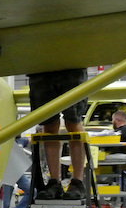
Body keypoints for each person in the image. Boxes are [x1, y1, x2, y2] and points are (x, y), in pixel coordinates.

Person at [29, 68, 88, 201]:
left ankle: (77, 182)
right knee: (49, 125)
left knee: (73, 122)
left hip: (72, 67)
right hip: (41, 68)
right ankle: (54, 182)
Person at [1, 136, 31, 208]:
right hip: (7, 172)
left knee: (32, 191)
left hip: (18, 172)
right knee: (6, 200)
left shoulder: (21, 141)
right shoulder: (4, 141)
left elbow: (31, 140)